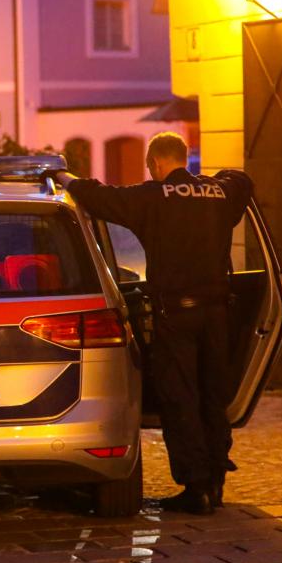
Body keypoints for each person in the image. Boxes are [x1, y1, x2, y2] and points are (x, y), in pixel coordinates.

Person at [50, 132, 253, 515]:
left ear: (157, 163)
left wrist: (63, 178)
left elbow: (98, 196)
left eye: (149, 166)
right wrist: (208, 183)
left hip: (176, 316)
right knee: (213, 396)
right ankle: (215, 481)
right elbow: (241, 180)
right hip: (217, 315)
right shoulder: (219, 194)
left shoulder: (152, 198)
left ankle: (196, 488)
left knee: (181, 398)